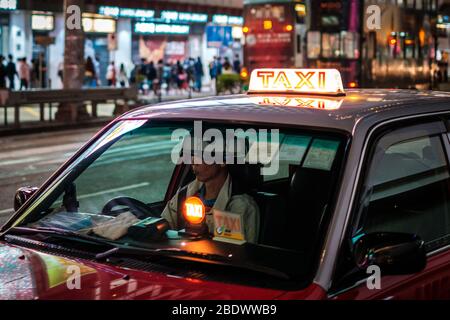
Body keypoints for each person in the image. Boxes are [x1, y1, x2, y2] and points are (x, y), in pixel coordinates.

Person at [161, 154, 260, 243]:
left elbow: (240, 257)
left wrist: (206, 236)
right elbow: (160, 232)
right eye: (192, 154)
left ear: (223, 161)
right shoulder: (183, 196)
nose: (193, 161)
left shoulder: (241, 206)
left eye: (202, 154)